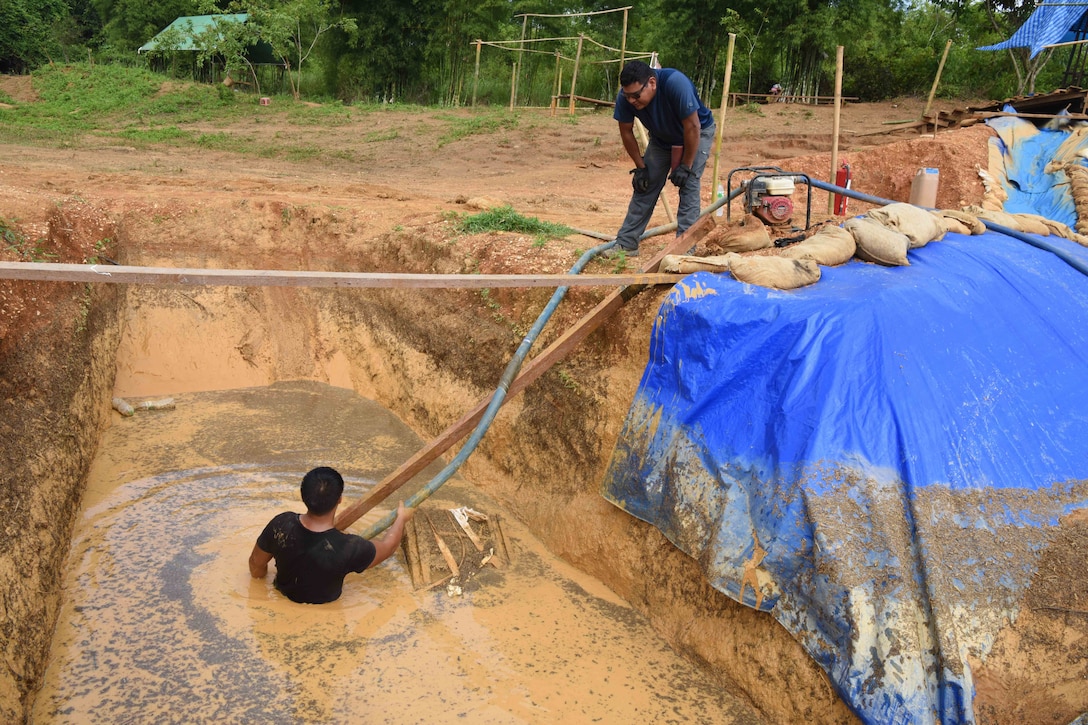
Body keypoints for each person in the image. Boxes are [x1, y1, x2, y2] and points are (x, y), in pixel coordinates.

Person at [249, 466, 415, 604]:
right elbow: (389, 546)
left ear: (303, 496)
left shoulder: (281, 525)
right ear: (340, 499)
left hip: (281, 599)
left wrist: (261, 588)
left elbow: (256, 565)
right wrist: (401, 518)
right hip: (327, 611)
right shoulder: (349, 547)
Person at [610, 60, 716, 257]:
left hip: (695, 133)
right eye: (628, 96)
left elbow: (692, 127)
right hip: (662, 139)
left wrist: (686, 165)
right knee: (645, 184)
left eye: (636, 96)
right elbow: (626, 132)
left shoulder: (676, 84)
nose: (632, 101)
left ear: (652, 83)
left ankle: (683, 250)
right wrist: (641, 167)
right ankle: (626, 244)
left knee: (689, 185)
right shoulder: (626, 97)